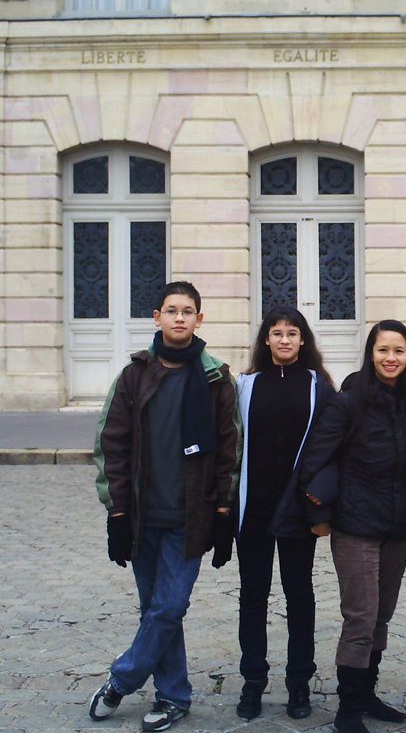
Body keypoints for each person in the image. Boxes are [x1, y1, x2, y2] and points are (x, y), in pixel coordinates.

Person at [89, 281, 240, 732]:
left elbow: (230, 451)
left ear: (199, 319)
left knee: (169, 607)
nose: (179, 317)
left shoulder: (216, 380)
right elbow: (110, 444)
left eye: (187, 311)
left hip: (190, 516)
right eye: (171, 310)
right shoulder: (134, 375)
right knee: (154, 609)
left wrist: (223, 512)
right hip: (142, 516)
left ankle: (121, 680)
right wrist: (116, 512)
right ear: (157, 317)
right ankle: (173, 696)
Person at [300, 320, 406, 733]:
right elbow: (314, 460)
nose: (391, 358)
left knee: (381, 616)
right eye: (383, 349)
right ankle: (347, 711)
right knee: (361, 618)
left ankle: (367, 694)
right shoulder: (349, 403)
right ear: (371, 353)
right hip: (356, 526)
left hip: (396, 529)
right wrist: (319, 515)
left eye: (399, 351)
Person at [234, 306, 336, 721]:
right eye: (277, 333)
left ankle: (299, 684)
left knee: (299, 595)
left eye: (292, 333)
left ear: (303, 340)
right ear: (266, 340)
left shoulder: (318, 387)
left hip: (296, 509)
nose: (284, 340)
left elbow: (331, 447)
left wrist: (321, 499)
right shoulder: (244, 385)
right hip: (254, 509)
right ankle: (253, 682)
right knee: (252, 596)